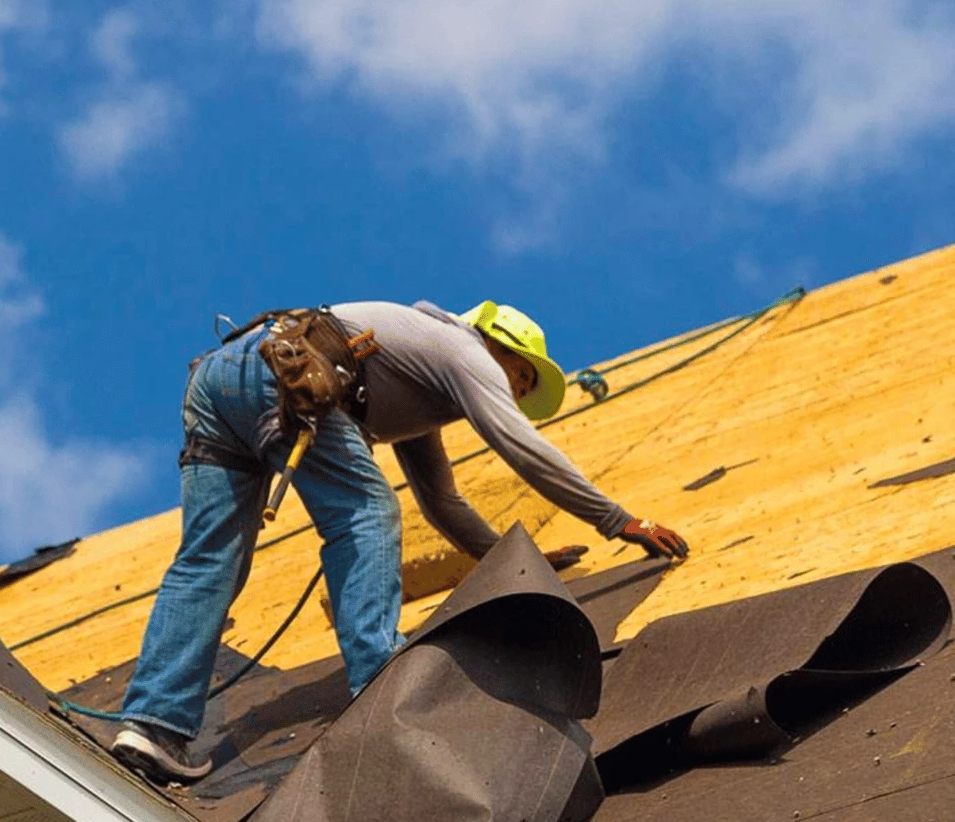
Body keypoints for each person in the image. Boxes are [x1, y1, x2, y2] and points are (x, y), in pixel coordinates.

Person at [111, 300, 689, 784]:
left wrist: (499, 556)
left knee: (210, 563)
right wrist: (620, 521)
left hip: (222, 378)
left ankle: (152, 728)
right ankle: (377, 681)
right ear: (502, 350)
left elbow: (442, 500)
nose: (512, 393)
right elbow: (525, 450)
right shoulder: (464, 353)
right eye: (520, 379)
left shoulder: (417, 376)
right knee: (366, 511)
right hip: (284, 374)